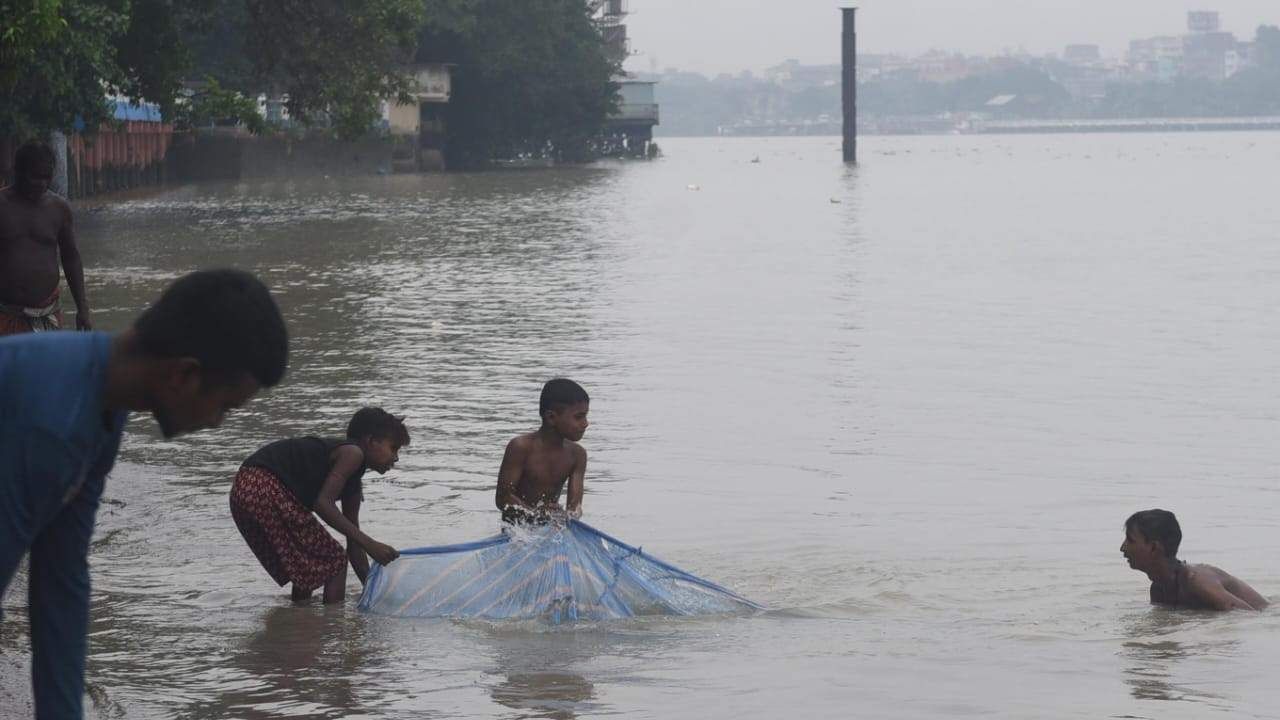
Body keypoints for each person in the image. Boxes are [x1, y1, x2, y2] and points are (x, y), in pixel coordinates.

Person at [0, 268, 288, 719]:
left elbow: (62, 581)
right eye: (225, 407)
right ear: (184, 375)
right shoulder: (48, 421)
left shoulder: (101, 407)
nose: (217, 423)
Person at [231, 408, 407, 603]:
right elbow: (323, 504)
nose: (396, 458)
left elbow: (353, 541)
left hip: (244, 489)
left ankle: (302, 617)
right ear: (371, 441)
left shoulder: (353, 483)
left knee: (309, 563)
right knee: (335, 561)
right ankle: (332, 628)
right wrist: (370, 543)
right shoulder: (352, 453)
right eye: (394, 448)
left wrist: (373, 592)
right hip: (263, 485)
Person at [0, 140, 92, 334]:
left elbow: (71, 258)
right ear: (18, 171)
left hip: (48, 313)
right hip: (5, 314)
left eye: (47, 177)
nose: (42, 183)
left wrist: (82, 309)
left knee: (50, 365)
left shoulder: (59, 208)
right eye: (35, 176)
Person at [1121, 509, 1269, 611]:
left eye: (1130, 540)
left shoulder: (1197, 581)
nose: (1123, 548)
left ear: (1153, 547)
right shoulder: (1158, 589)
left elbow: (1248, 618)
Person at [495, 379, 589, 525]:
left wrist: (565, 517)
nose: (585, 423)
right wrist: (536, 515)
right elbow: (503, 499)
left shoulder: (577, 455)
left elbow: (575, 509)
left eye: (585, 416)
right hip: (517, 531)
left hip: (549, 530)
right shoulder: (520, 447)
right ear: (551, 417)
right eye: (579, 417)